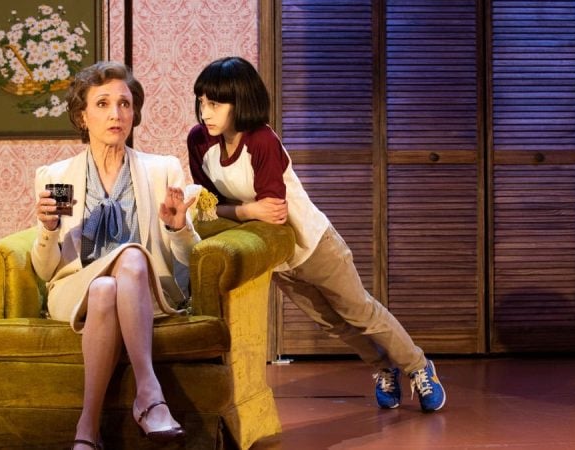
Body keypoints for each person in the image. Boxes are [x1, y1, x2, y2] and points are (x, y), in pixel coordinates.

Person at [186, 56, 446, 412]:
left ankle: (418, 366)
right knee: (334, 325)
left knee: (360, 313)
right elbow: (207, 205)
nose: (205, 113)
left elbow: (274, 212)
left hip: (314, 244)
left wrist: (236, 212)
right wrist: (245, 211)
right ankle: (383, 368)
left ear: (240, 101)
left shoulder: (261, 141)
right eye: (201, 102)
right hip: (277, 256)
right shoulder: (199, 142)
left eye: (214, 104)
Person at [32, 61, 198, 449]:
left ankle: (87, 430)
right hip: (74, 290)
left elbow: (189, 263)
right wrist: (48, 229)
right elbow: (45, 271)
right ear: (82, 116)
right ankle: (150, 396)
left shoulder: (162, 169)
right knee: (121, 266)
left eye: (124, 104)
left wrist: (177, 227)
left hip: (142, 293)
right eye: (103, 104)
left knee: (113, 281)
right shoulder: (56, 177)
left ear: (134, 113)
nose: (116, 114)